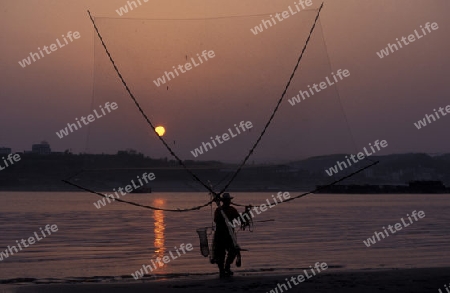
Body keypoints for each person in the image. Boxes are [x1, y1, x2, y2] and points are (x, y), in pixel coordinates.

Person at [213, 193, 240, 277]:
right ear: (224, 201)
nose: (228, 202)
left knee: (233, 251)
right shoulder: (218, 210)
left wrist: (247, 211)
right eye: (227, 200)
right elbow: (216, 220)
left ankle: (227, 267)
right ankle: (222, 270)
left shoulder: (232, 209)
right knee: (220, 253)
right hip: (220, 235)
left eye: (229, 200)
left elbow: (239, 219)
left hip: (229, 235)